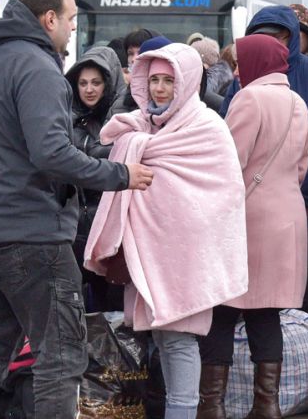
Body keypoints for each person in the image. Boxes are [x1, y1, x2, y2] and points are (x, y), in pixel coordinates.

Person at [0, 0, 143, 419]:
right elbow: (52, 153)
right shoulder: (38, 68)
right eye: (71, 18)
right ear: (49, 18)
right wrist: (121, 174)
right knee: (60, 356)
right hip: (33, 235)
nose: (74, 28)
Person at [84, 43, 248, 419]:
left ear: (187, 81)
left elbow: (223, 197)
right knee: (163, 339)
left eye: (168, 80)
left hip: (186, 260)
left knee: (179, 342)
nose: (159, 89)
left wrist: (138, 147)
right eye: (154, 80)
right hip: (153, 255)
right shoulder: (146, 125)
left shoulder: (206, 128)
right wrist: (136, 142)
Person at [220, 6, 308, 356]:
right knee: (261, 303)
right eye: (263, 36)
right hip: (259, 214)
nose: (273, 43)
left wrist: (305, 177)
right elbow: (227, 143)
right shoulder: (241, 85)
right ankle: (272, 388)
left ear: (294, 38)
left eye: (280, 36)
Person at [198, 34, 308, 419]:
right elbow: (301, 168)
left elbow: (230, 161)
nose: (237, 69)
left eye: (241, 61)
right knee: (266, 314)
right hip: (288, 217)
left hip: (249, 219)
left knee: (222, 311)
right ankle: (268, 405)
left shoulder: (248, 98)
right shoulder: (297, 102)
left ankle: (211, 406)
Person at [65, 45, 128, 313]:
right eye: (82, 83)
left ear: (109, 83)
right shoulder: (67, 120)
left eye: (96, 82)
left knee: (112, 311)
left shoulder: (124, 121)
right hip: (74, 230)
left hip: (110, 232)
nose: (89, 89)